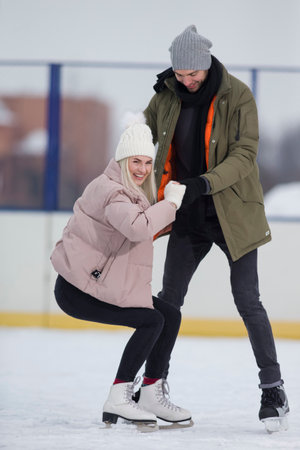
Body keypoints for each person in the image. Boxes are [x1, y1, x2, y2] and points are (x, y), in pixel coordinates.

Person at [143, 25, 289, 432]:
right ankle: (153, 384)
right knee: (168, 301)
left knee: (247, 299)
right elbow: (144, 136)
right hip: (187, 215)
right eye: (180, 74)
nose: (187, 81)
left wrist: (201, 184)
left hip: (232, 213)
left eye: (193, 74)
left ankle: (273, 390)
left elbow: (245, 154)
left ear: (206, 65)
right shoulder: (168, 94)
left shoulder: (237, 95)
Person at [50, 113, 192, 427]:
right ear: (122, 160)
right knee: (151, 320)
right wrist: (170, 204)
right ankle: (119, 396)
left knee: (169, 314)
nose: (141, 169)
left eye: (146, 162)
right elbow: (137, 227)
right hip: (78, 290)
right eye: (134, 162)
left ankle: (151, 391)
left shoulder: (130, 192)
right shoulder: (111, 190)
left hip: (101, 284)